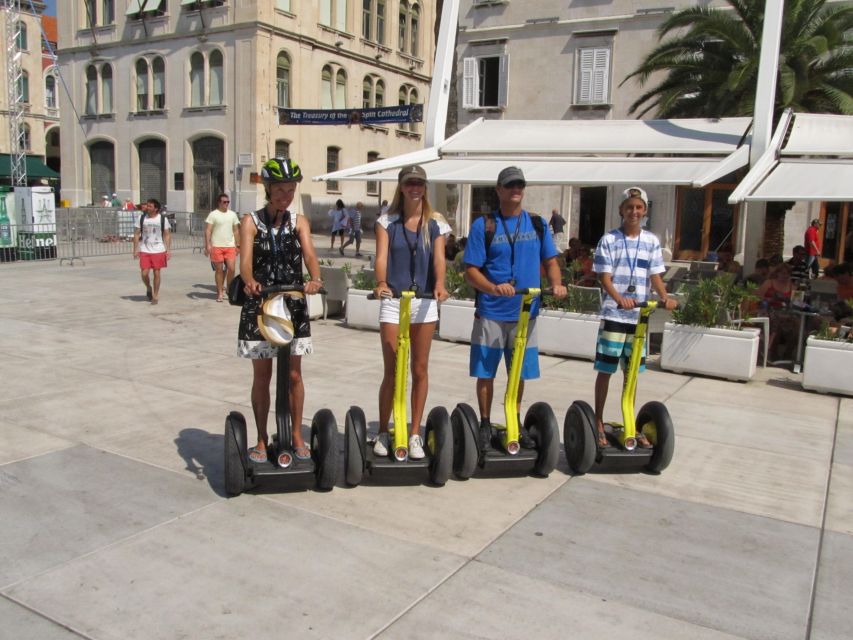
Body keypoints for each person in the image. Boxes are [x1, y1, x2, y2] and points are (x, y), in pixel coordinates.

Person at [463, 166, 567, 451]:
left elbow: (550, 262)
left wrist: (557, 284)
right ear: (498, 190)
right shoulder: (484, 225)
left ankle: (513, 420)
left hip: (526, 314)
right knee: (487, 372)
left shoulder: (536, 224)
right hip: (492, 313)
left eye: (519, 184)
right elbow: (471, 271)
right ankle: (485, 423)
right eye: (509, 185)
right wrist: (493, 287)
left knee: (518, 373)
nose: (515, 189)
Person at [237, 157, 323, 466]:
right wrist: (249, 281)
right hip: (260, 304)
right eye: (280, 190)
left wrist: (315, 279)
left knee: (294, 374)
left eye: (291, 190)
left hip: (293, 303)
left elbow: (310, 254)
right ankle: (261, 437)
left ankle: (296, 434)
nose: (285, 196)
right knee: (263, 376)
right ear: (268, 189)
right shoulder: (251, 221)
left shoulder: (299, 222)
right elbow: (245, 260)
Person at [372, 165, 451, 459]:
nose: (415, 188)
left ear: (425, 187)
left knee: (419, 369)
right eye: (410, 183)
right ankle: (382, 429)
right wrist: (381, 282)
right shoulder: (387, 222)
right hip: (394, 301)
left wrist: (441, 285)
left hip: (425, 301)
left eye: (419, 183)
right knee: (392, 369)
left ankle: (415, 432)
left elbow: (439, 259)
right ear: (402, 187)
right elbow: (381, 257)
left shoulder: (436, 223)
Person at [592, 187, 676, 448]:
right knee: (606, 370)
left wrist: (665, 297)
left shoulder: (651, 241)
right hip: (615, 315)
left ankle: (629, 422)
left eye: (638, 207)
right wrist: (619, 298)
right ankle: (597, 420)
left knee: (632, 373)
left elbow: (655, 277)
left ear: (645, 210)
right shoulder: (609, 240)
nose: (634, 212)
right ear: (621, 210)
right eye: (629, 207)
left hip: (639, 317)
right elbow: (604, 277)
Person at [132, 198, 171, 305]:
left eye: (150, 206)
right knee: (144, 273)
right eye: (147, 205)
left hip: (159, 249)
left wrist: (168, 249)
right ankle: (149, 287)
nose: (147, 207)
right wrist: (135, 249)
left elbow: (167, 234)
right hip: (145, 248)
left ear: (156, 208)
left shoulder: (162, 219)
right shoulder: (142, 218)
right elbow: (136, 234)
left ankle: (155, 294)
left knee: (157, 272)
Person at [204, 193, 240, 302]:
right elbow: (208, 230)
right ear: (219, 202)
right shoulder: (213, 214)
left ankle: (229, 288)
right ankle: (219, 292)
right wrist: (207, 245)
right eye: (224, 202)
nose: (226, 204)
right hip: (217, 246)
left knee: (232, 269)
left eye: (228, 202)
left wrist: (238, 244)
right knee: (219, 270)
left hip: (230, 246)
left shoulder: (232, 214)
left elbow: (236, 230)